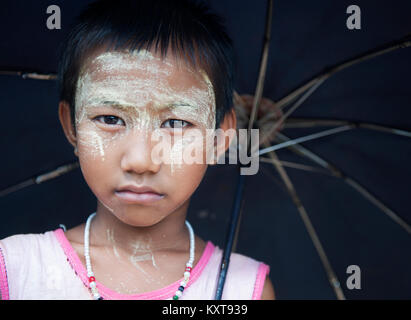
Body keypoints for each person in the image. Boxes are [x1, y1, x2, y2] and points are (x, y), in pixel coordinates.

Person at [0, 0, 275, 300]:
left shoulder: (242, 291)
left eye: (176, 122)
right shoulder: (16, 271)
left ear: (220, 137)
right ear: (71, 126)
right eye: (110, 119)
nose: (141, 161)